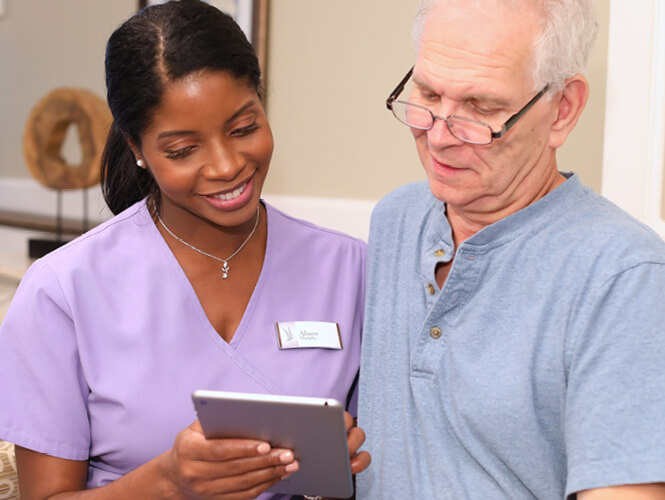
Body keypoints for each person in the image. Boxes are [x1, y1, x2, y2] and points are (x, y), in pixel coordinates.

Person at [0, 1, 369, 498]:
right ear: (137, 147)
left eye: (244, 128)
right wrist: (168, 480)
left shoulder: (351, 271)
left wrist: (347, 464)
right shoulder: (62, 291)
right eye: (182, 150)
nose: (226, 165)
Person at [357, 0, 665, 498]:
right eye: (428, 93)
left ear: (563, 109)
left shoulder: (622, 275)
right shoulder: (396, 220)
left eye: (481, 109)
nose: (438, 136)